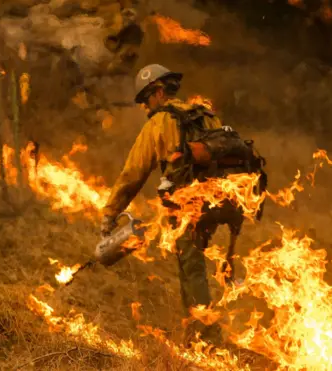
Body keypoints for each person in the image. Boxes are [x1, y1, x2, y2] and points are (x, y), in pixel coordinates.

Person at [99, 64, 260, 347]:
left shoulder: (159, 123)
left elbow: (133, 173)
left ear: (158, 92)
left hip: (189, 204)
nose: (145, 108)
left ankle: (206, 336)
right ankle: (197, 330)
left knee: (192, 267)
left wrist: (110, 213)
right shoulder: (206, 115)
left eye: (146, 100)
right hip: (223, 198)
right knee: (195, 262)